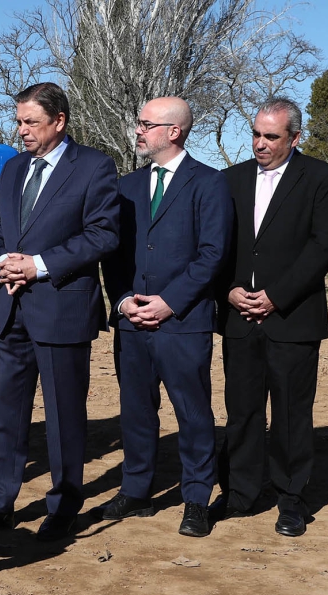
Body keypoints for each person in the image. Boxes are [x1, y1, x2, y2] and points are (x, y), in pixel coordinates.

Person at [0, 82, 120, 542]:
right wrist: (1, 262)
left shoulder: (93, 167)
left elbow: (103, 234)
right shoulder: (11, 168)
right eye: (19, 120)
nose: (22, 129)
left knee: (65, 416)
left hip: (62, 310)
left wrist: (40, 266)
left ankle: (64, 507)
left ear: (59, 121)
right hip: (11, 310)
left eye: (31, 121)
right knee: (4, 415)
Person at [100, 97, 233, 537]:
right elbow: (113, 253)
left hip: (184, 321)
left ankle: (196, 497)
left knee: (193, 413)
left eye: (145, 124)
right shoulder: (126, 186)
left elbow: (212, 253)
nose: (137, 130)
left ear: (174, 131)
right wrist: (121, 300)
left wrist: (169, 301)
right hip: (131, 323)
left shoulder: (209, 183)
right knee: (136, 411)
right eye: (138, 122)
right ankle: (136, 490)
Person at [213, 97, 328, 537]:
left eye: (271, 136)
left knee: (290, 413)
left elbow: (321, 248)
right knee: (242, 411)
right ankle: (240, 494)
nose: (261, 143)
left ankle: (292, 500)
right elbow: (219, 245)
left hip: (293, 318)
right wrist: (227, 290)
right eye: (256, 134)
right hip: (237, 317)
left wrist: (275, 297)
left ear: (294, 137)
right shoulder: (229, 180)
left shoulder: (322, 178)